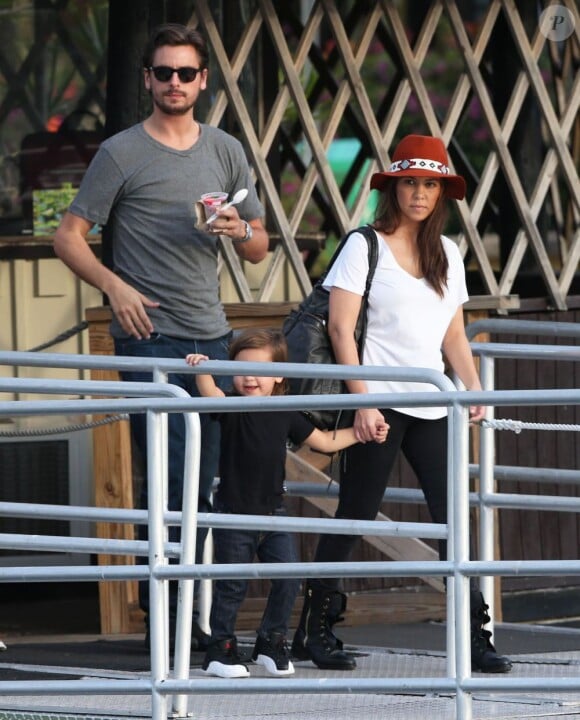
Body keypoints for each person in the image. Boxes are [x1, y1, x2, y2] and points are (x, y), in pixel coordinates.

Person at [53, 23, 269, 650]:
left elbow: (259, 249)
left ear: (203, 81)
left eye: (186, 73)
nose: (174, 83)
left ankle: (213, 624)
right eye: (163, 72)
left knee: (224, 479)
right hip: (150, 340)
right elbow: (67, 237)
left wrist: (237, 230)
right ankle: (170, 625)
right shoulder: (121, 152)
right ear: (146, 79)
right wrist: (115, 287)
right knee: (173, 479)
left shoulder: (226, 150)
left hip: (216, 335)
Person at [290, 134, 513, 674]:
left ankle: (473, 635)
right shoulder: (364, 244)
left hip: (432, 404)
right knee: (356, 513)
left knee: (453, 520)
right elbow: (341, 330)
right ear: (393, 188)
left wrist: (473, 388)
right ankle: (313, 629)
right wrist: (363, 404)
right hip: (379, 404)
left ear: (442, 193)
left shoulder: (450, 253)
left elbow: (453, 335)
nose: (419, 193)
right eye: (410, 182)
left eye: (430, 183)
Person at [185, 328, 389, 678]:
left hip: (274, 512)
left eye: (261, 371)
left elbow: (323, 441)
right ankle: (222, 649)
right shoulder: (229, 405)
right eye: (242, 369)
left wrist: (359, 433)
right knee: (231, 584)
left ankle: (271, 640)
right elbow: (209, 393)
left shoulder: (285, 409)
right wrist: (201, 368)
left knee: (289, 578)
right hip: (234, 512)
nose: (251, 378)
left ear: (278, 375)